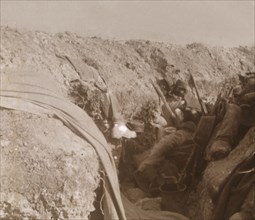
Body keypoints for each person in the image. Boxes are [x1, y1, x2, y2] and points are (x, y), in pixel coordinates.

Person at [207, 71, 255, 161]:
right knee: (233, 109)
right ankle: (222, 142)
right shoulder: (251, 80)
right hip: (245, 115)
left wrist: (249, 97)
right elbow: (240, 98)